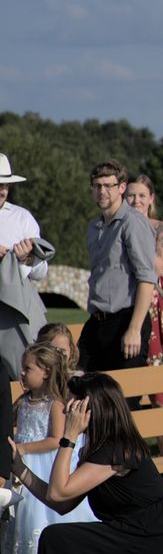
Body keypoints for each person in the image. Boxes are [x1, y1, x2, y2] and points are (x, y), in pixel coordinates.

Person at [4, 371, 163, 554]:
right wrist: (20, 468)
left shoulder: (117, 449)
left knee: (59, 539)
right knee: (59, 538)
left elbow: (58, 493)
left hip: (153, 543)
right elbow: (61, 503)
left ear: (91, 409)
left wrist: (68, 438)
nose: (66, 409)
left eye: (73, 404)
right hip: (130, 535)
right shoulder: (101, 448)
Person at [2, 342, 96, 554]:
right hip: (23, 465)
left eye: (27, 368)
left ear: (45, 371)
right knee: (21, 519)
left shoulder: (54, 403)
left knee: (40, 518)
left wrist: (23, 448)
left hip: (43, 465)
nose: (21, 373)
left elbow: (56, 438)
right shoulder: (22, 402)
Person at [124, 175, 163, 452]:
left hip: (158, 314)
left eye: (141, 195)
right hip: (128, 310)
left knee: (160, 388)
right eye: (130, 196)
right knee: (127, 387)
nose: (136, 201)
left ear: (151, 199)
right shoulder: (118, 227)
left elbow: (159, 267)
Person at [79, 160, 157, 375]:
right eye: (97, 186)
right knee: (77, 385)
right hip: (97, 322)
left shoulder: (133, 223)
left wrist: (134, 329)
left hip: (126, 322)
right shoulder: (94, 227)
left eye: (108, 186)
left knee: (123, 403)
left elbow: (147, 279)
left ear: (122, 188)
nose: (102, 191)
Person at [0, 153, 52, 384]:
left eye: (6, 186)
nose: (2, 191)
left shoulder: (22, 218)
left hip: (16, 313)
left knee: (23, 379)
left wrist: (26, 260)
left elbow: (42, 273)